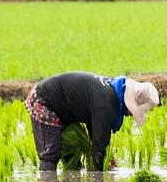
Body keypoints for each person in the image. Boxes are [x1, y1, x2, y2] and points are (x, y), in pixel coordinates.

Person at [26, 72, 159, 171]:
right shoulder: (107, 103)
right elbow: (100, 142)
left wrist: (104, 159)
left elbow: (94, 128)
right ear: (129, 102)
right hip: (44, 101)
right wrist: (101, 173)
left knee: (73, 155)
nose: (131, 114)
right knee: (51, 154)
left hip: (62, 106)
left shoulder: (112, 90)